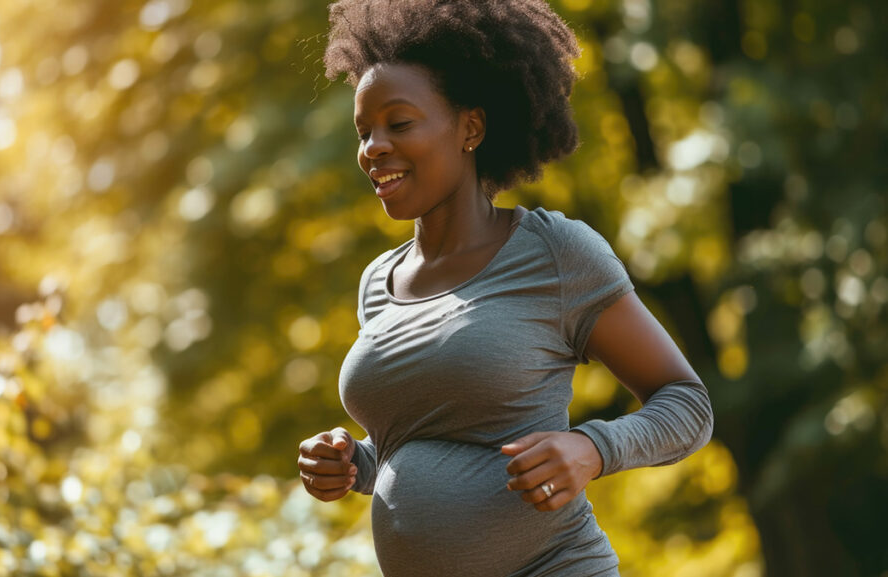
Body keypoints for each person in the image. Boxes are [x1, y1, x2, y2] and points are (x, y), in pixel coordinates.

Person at [296, 1, 714, 575]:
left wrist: (592, 449)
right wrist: (349, 464)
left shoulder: (555, 253)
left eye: (399, 122)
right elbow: (416, 447)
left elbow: (687, 404)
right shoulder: (378, 283)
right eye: (364, 131)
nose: (373, 147)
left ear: (471, 127)